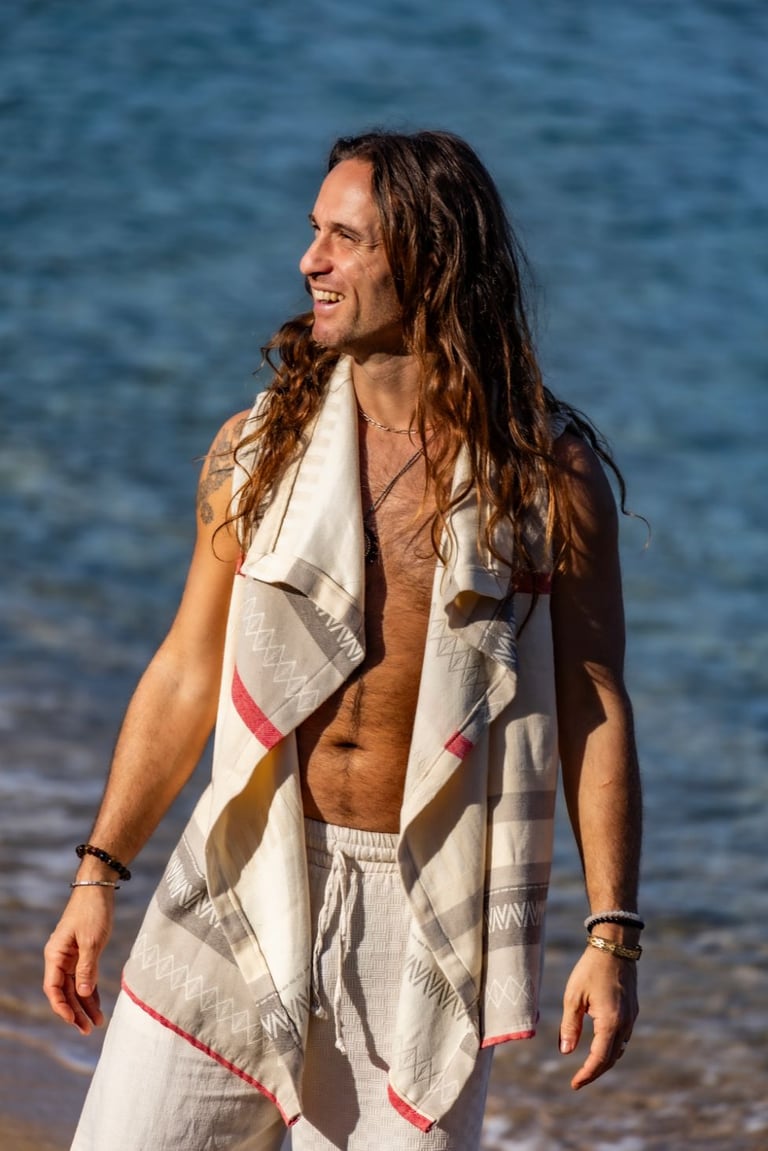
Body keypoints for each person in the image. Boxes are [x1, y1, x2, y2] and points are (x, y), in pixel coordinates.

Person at [44, 130, 643, 1151]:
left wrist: (612, 932)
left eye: (343, 239)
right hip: (244, 867)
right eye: (313, 231)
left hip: (424, 910)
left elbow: (593, 705)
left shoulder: (542, 476)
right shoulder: (258, 447)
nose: (309, 260)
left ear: (429, 263)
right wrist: (99, 872)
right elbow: (187, 669)